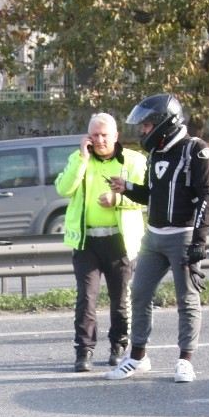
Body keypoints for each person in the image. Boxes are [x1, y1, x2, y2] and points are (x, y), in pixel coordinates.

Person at [105, 94, 209, 383]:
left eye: (146, 125)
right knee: (140, 293)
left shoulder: (196, 151)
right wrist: (127, 187)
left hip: (182, 237)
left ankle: (185, 360)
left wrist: (199, 240)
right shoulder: (157, 153)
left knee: (187, 299)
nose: (142, 131)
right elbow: (154, 194)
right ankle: (138, 358)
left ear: (162, 123)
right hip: (153, 237)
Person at [55, 112, 147, 372]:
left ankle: (119, 344)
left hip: (119, 241)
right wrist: (82, 160)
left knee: (120, 299)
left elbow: (147, 198)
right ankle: (84, 350)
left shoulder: (133, 161)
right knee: (86, 298)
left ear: (116, 136)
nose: (99, 140)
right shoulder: (79, 159)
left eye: (104, 135)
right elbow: (63, 189)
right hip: (87, 242)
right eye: (94, 135)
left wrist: (117, 200)